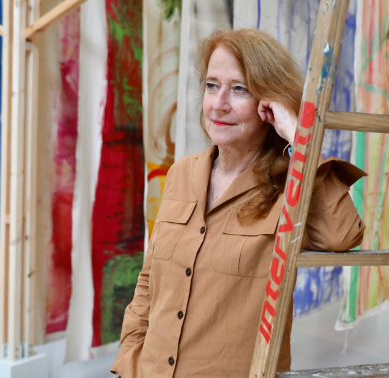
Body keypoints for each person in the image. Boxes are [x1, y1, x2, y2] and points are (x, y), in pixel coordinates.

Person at [111, 28, 365, 377]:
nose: (218, 104)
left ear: (269, 105)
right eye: (212, 85)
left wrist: (299, 139)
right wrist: (129, 359)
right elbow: (149, 279)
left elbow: (341, 235)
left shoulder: (289, 185)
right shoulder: (182, 173)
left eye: (239, 89)